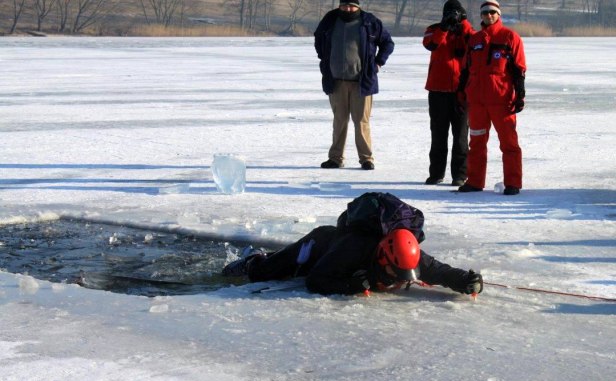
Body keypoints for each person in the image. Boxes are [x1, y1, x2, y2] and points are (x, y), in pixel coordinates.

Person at [222, 193, 483, 297]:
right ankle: (253, 259)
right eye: (396, 274)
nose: (398, 280)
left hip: (336, 252)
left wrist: (464, 280)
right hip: (319, 245)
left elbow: (437, 270)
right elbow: (316, 280)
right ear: (383, 257)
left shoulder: (405, 252)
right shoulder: (354, 249)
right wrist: (349, 286)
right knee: (266, 272)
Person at [314, 1, 395, 171]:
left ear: (358, 6)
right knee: (339, 121)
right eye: (344, 5)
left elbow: (388, 43)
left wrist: (378, 63)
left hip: (362, 82)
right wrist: (324, 60)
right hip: (336, 81)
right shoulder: (330, 20)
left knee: (361, 122)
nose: (348, 9)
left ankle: (366, 159)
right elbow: (318, 38)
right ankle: (335, 158)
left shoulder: (370, 22)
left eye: (351, 6)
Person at [456, 1, 526, 195]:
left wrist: (520, 94)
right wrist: (461, 93)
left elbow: (519, 69)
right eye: (485, 12)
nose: (489, 16)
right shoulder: (474, 39)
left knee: (509, 143)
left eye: (493, 12)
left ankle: (512, 183)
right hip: (477, 101)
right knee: (477, 143)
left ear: (498, 14)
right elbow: (465, 70)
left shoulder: (510, 37)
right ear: (481, 15)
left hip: (501, 100)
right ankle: (475, 182)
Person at [423, 0, 475, 187]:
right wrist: (444, 27)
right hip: (437, 91)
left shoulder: (466, 32)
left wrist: (464, 23)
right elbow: (431, 44)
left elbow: (474, 41)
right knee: (438, 134)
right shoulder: (434, 29)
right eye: (449, 13)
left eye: (456, 12)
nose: (452, 16)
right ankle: (436, 173)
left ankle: (460, 175)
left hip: (461, 92)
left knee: (461, 136)